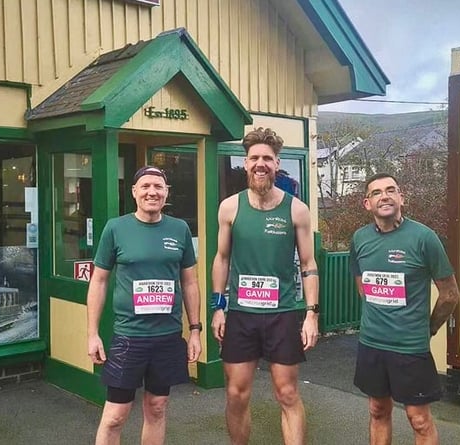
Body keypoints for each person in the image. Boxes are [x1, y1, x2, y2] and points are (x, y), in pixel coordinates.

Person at [211, 127, 319, 445]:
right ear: (245, 163)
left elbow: (309, 264)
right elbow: (222, 259)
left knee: (287, 393)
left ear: (277, 163)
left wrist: (311, 314)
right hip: (241, 314)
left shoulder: (297, 210)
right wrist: (218, 307)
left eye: (267, 159)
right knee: (236, 393)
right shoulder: (230, 208)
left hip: (282, 314)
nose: (261, 164)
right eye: (254, 158)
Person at [87, 165, 202, 445]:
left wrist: (195, 331)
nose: (152, 192)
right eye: (146, 186)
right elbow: (99, 281)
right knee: (115, 414)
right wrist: (92, 333)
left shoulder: (179, 229)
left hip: (166, 337)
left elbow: (190, 282)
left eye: (158, 187)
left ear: (166, 193)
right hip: (129, 337)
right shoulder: (116, 228)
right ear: (134, 192)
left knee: (157, 407)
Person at [349, 172, 460, 445]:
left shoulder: (424, 238)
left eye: (390, 190)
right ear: (367, 204)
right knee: (377, 410)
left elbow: (450, 294)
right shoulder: (359, 239)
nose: (384, 196)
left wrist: (429, 328)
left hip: (410, 347)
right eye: (376, 192)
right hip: (372, 343)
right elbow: (363, 286)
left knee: (419, 420)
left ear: (402, 198)